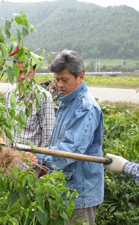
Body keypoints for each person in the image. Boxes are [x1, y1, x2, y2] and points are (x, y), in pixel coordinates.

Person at [30, 50, 104, 225]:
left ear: (81, 77)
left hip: (79, 193)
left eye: (65, 80)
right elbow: (59, 142)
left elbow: (71, 151)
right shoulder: (67, 102)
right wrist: (46, 167)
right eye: (57, 79)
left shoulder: (85, 108)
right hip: (65, 188)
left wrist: (40, 158)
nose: (60, 84)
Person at [5, 59, 56, 150]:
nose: (22, 77)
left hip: (31, 160)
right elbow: (6, 126)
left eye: (27, 72)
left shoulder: (43, 97)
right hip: (11, 158)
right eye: (19, 72)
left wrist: (39, 158)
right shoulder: (10, 95)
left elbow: (48, 135)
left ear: (34, 72)